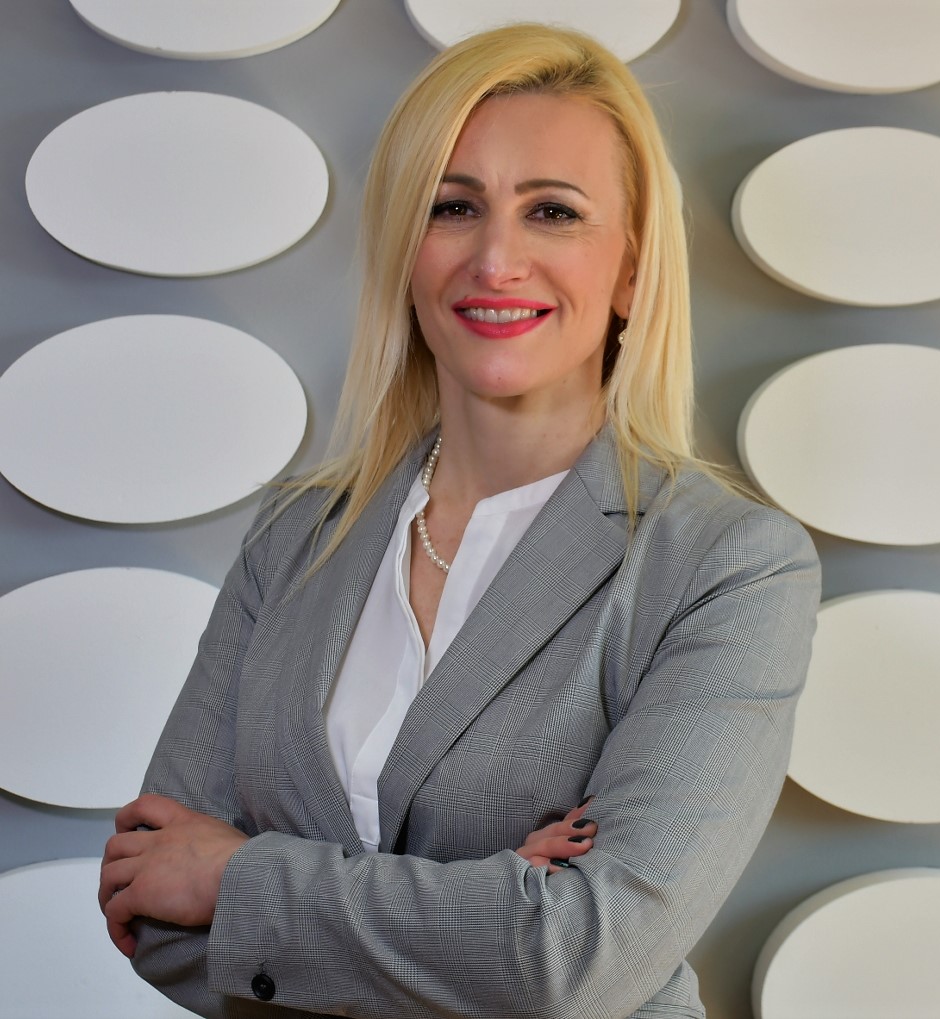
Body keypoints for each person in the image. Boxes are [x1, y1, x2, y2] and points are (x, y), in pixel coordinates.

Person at [99, 23, 820, 1019]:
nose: (496, 258)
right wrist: (490, 901)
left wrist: (237, 876)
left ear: (630, 271)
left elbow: (578, 958)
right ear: (406, 249)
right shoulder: (299, 531)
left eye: (553, 212)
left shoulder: (726, 564)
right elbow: (151, 910)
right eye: (453, 207)